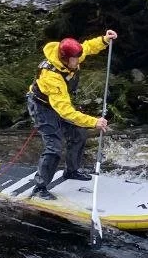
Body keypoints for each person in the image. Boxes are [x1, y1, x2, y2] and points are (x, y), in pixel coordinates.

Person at [26, 29, 117, 199]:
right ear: (64, 58)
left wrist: (104, 40)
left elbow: (87, 47)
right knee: (54, 147)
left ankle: (72, 171)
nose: (78, 62)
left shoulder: (70, 57)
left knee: (79, 134)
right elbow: (66, 112)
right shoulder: (51, 77)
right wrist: (94, 121)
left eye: (77, 58)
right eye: (74, 59)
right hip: (42, 108)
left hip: (58, 103)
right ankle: (39, 188)